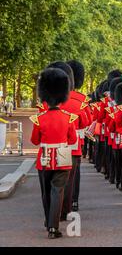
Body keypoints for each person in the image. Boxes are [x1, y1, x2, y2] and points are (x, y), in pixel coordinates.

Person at [30, 68, 78, 239]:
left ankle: (48, 221)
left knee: (46, 192)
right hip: (63, 155)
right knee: (58, 190)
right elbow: (72, 140)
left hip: (44, 156)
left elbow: (34, 140)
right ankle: (53, 226)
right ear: (63, 95)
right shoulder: (68, 117)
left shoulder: (39, 118)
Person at [45, 61, 90, 222]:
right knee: (70, 178)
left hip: (49, 147)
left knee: (51, 180)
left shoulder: (45, 103)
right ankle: (67, 206)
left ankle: (52, 212)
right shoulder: (79, 102)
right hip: (72, 144)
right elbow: (86, 122)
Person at [66, 60, 92, 212]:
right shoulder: (82, 100)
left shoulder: (53, 99)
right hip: (76, 140)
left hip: (57, 141)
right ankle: (74, 200)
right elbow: (87, 121)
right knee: (75, 173)